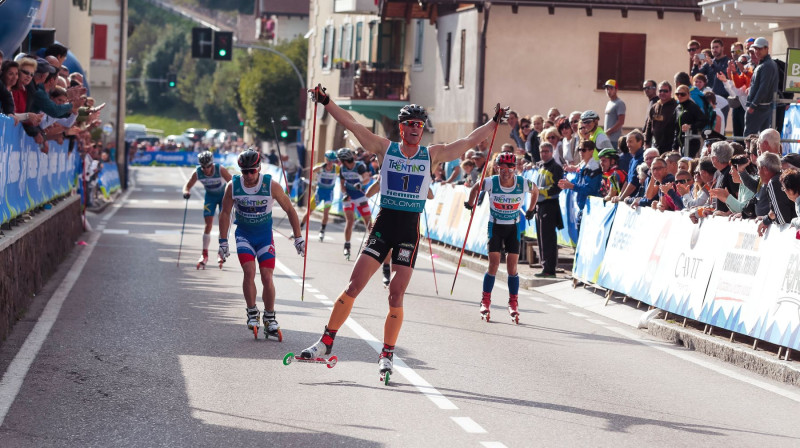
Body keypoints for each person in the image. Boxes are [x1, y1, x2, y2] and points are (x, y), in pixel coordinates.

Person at [300, 84, 507, 378]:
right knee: (353, 286)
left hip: (409, 230)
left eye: (419, 126)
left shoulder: (431, 154)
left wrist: (494, 123)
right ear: (401, 127)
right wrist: (327, 101)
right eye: (410, 124)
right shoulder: (385, 148)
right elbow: (352, 123)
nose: (415, 129)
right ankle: (327, 340)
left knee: (396, 296)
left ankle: (387, 354)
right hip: (384, 225)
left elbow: (469, 140)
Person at [217, 150, 305, 339]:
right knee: (249, 272)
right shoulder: (233, 186)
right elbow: (225, 213)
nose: (248, 175)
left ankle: (270, 317)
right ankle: (251, 312)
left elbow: (290, 209)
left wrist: (298, 238)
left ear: (259, 168)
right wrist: (223, 241)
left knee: (267, 276)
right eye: (244, 171)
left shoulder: (271, 186)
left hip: (265, 236)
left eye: (252, 171)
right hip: (244, 235)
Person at [465, 153, 537, 322]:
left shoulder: (521, 182)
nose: (506, 172)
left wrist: (531, 209)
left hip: (513, 227)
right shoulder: (491, 181)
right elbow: (476, 187)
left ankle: (513, 303)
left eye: (510, 168)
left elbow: (536, 190)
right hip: (495, 226)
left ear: (515, 168)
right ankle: (485, 301)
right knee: (494, 265)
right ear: (497, 168)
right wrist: (470, 203)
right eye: (502, 168)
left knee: (512, 268)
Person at [182, 151, 233, 269]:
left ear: (212, 164)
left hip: (223, 197)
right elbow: (187, 185)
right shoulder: (197, 172)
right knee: (208, 224)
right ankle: (204, 254)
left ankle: (221, 252)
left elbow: (233, 183)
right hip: (210, 197)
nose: (206, 169)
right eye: (203, 167)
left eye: (208, 166)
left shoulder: (220, 169)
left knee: (223, 224)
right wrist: (186, 192)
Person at [531, 142, 563, 278]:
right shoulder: (540, 166)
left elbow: (558, 187)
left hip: (550, 205)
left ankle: (550, 269)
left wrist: (540, 192)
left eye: (546, 151)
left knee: (548, 238)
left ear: (551, 152)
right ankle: (545, 266)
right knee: (541, 238)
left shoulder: (556, 167)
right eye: (542, 151)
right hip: (540, 205)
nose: (543, 154)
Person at [337, 147, 372, 260]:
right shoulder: (342, 168)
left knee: (368, 223)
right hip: (349, 197)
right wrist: (344, 193)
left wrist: (360, 183)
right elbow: (342, 184)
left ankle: (373, 245)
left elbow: (367, 178)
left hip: (360, 197)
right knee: (350, 220)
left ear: (343, 160)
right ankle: (347, 245)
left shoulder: (359, 166)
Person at [300, 150, 340, 242]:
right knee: (309, 211)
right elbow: (313, 170)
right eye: (329, 160)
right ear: (326, 159)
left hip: (329, 194)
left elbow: (342, 175)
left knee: (326, 213)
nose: (330, 163)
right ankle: (300, 227)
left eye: (332, 161)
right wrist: (322, 166)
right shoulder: (321, 166)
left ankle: (322, 230)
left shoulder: (336, 168)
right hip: (319, 193)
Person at [745, 37, 779, 135]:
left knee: (749, 137)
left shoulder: (766, 65)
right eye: (755, 49)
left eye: (760, 49)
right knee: (762, 137)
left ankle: (751, 151)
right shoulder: (765, 64)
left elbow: (763, 87)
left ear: (766, 49)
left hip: (759, 107)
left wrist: (753, 105)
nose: (757, 51)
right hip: (763, 106)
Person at [603, 80, 626, 149]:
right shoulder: (609, 103)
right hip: (608, 138)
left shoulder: (619, 103)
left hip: (615, 140)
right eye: (607, 89)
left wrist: (608, 132)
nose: (608, 91)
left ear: (616, 90)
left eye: (611, 88)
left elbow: (621, 121)